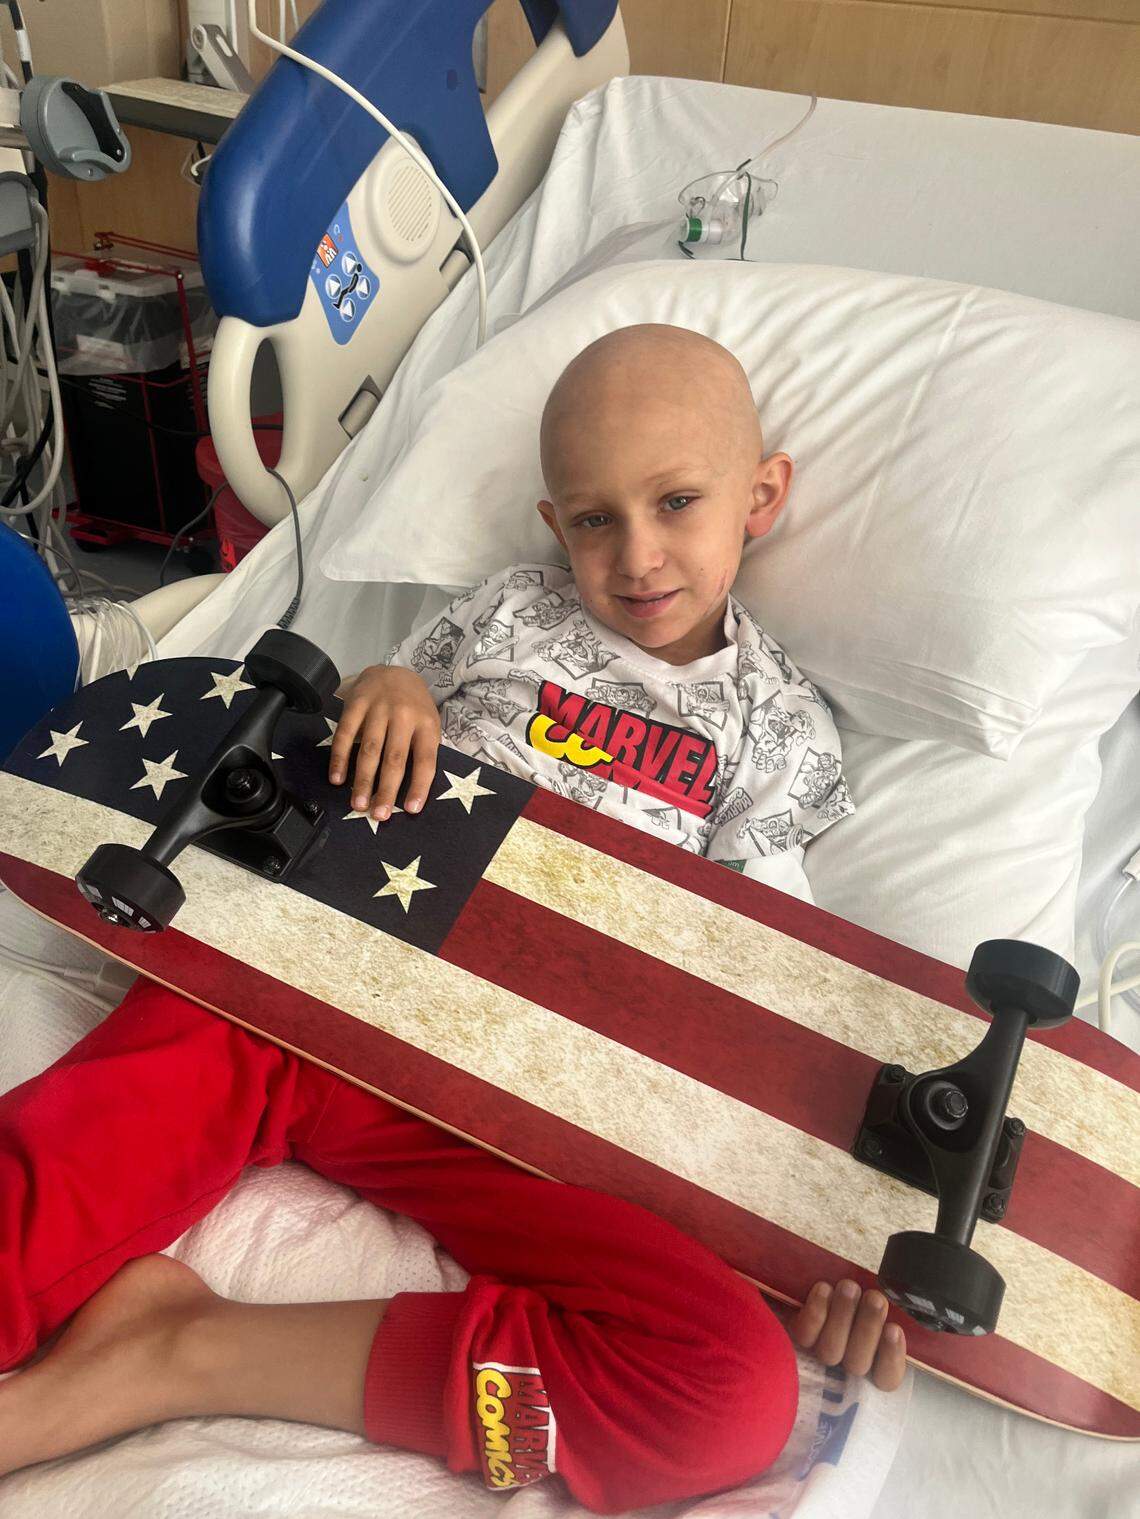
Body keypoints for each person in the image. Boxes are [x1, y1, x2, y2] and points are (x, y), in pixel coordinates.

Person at [0, 325, 906, 1513]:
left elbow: (766, 991)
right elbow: (392, 697)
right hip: (306, 987)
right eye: (593, 519)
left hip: (524, 1106)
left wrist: (816, 1242)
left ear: (762, 496)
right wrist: (390, 687)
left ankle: (186, 1352)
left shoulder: (777, 727)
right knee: (57, 1176)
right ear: (552, 522)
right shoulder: (510, 615)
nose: (637, 555)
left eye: (678, 503)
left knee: (725, 1405)